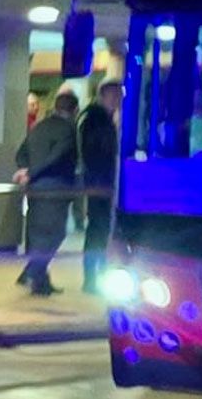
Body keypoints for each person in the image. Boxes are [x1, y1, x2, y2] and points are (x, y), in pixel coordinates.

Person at [15, 91, 80, 296]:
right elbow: (57, 156)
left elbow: (21, 153)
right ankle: (34, 274)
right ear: (74, 110)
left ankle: (38, 278)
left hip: (34, 189)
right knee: (56, 233)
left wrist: (26, 171)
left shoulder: (40, 127)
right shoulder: (69, 129)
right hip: (56, 188)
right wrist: (33, 173)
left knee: (38, 233)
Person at [79, 81, 123, 295]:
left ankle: (93, 276)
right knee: (98, 228)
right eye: (114, 95)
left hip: (100, 182)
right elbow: (98, 152)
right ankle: (92, 277)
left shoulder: (97, 119)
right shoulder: (98, 120)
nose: (118, 100)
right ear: (104, 96)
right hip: (100, 183)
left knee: (98, 229)